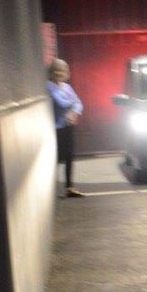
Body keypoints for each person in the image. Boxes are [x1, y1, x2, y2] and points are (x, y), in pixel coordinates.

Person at [48, 58, 84, 197]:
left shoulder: (67, 87)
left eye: (62, 71)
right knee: (57, 157)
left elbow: (79, 103)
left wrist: (75, 112)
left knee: (69, 156)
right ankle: (52, 189)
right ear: (51, 73)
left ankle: (69, 187)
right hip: (57, 128)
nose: (59, 74)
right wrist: (73, 105)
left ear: (67, 73)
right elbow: (62, 102)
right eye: (56, 71)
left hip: (68, 126)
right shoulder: (49, 86)